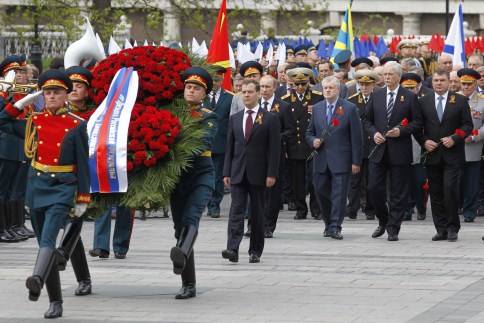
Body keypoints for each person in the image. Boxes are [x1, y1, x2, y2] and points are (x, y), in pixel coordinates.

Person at [0, 69, 90, 318]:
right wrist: (19, 104)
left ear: (65, 95)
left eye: (57, 92)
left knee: (49, 238)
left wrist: (83, 197)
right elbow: (2, 122)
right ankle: (56, 301)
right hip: (37, 185)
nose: (51, 96)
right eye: (47, 92)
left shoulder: (77, 125)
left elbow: (84, 164)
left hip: (63, 187)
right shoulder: (34, 121)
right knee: (44, 245)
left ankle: (37, 278)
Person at [169, 67, 218, 299]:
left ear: (204, 94)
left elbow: (202, 143)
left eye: (196, 88)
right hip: (177, 178)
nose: (191, 91)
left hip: (200, 176)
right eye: (188, 87)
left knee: (192, 218)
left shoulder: (208, 116)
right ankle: (188, 281)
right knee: (180, 229)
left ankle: (183, 258)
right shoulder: (172, 114)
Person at [222, 79, 280, 264]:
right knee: (236, 211)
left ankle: (255, 250)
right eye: (243, 92)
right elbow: (230, 147)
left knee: (257, 213)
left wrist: (271, 173)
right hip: (238, 171)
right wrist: (227, 172)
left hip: (259, 172)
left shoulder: (270, 118)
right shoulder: (235, 118)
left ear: (257, 94)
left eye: (249, 92)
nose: (246, 95)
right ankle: (232, 248)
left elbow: (274, 149)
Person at [364, 62, 422, 241]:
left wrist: (401, 131)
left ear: (398, 76)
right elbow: (367, 120)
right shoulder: (376, 95)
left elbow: (417, 122)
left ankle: (394, 227)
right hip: (379, 149)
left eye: (390, 74)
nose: (386, 77)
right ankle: (383, 220)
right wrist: (374, 134)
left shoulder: (409, 97)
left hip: (400, 151)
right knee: (374, 189)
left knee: (398, 191)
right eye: (385, 74)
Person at [414, 69, 473, 242]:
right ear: (431, 83)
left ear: (449, 82)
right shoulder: (423, 101)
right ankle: (441, 228)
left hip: (452, 155)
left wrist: (455, 138)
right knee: (436, 192)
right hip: (432, 154)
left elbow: (467, 125)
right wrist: (424, 141)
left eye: (442, 80)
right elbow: (417, 128)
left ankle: (453, 227)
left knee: (450, 189)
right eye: (436, 81)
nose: (438, 83)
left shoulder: (460, 100)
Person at [307, 76, 362, 239]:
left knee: (339, 195)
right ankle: (328, 223)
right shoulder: (317, 108)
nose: (328, 90)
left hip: (341, 159)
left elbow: (356, 137)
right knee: (320, 192)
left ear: (338, 89)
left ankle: (335, 226)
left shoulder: (349, 108)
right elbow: (309, 132)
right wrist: (312, 141)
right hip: (321, 159)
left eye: (331, 88)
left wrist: (356, 161)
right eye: (325, 88)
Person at [54, 66, 94, 297]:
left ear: (87, 91)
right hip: (62, 176)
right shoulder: (59, 114)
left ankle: (66, 256)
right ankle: (83, 278)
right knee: (72, 223)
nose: (74, 90)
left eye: (79, 86)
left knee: (75, 220)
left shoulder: (95, 114)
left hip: (88, 174)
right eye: (71, 87)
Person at [0, 55, 36, 243]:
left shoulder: (22, 94)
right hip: (6, 146)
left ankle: (13, 224)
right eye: (15, 73)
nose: (20, 75)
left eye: (22, 72)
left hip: (21, 146)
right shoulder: (5, 94)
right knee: (4, 189)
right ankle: (4, 226)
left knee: (17, 189)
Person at [282, 67, 324, 220]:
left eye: (303, 84)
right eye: (297, 84)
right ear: (292, 84)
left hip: (312, 146)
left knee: (314, 181)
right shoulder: (286, 100)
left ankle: (316, 209)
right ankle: (300, 209)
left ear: (308, 83)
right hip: (295, 146)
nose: (300, 87)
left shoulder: (317, 98)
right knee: (297, 182)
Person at [346, 70, 379, 220]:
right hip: (357, 146)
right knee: (355, 180)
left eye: (367, 84)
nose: (364, 87)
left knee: (372, 180)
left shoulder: (378, 99)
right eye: (362, 84)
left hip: (374, 145)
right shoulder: (352, 101)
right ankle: (352, 208)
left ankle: (370, 209)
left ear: (373, 85)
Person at [259, 75, 289, 238]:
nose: (264, 90)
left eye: (267, 87)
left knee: (273, 191)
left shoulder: (283, 106)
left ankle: (269, 225)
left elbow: (290, 130)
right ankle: (254, 225)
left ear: (274, 88)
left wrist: (275, 138)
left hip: (275, 155)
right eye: (262, 86)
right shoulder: (254, 104)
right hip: (256, 155)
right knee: (256, 191)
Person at [399, 73, 430, 221]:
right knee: (404, 179)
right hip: (402, 144)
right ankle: (406, 210)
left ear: (418, 88)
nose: (410, 91)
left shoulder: (423, 103)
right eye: (406, 88)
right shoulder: (399, 103)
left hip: (420, 146)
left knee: (419, 181)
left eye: (412, 88)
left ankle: (421, 208)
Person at [456, 68, 484, 222]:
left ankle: (469, 212)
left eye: (469, 84)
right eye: (463, 84)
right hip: (455, 147)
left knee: (472, 182)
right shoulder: (454, 99)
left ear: (475, 84)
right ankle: (456, 207)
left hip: (473, 147)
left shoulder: (482, 100)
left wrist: (475, 137)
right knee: (456, 180)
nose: (466, 87)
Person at [206, 66, 234, 218]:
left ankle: (215, 204)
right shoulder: (202, 96)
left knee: (217, 176)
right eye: (213, 79)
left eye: (218, 79)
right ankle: (206, 202)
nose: (215, 82)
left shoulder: (230, 97)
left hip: (221, 143)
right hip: (204, 143)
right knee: (205, 175)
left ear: (223, 79)